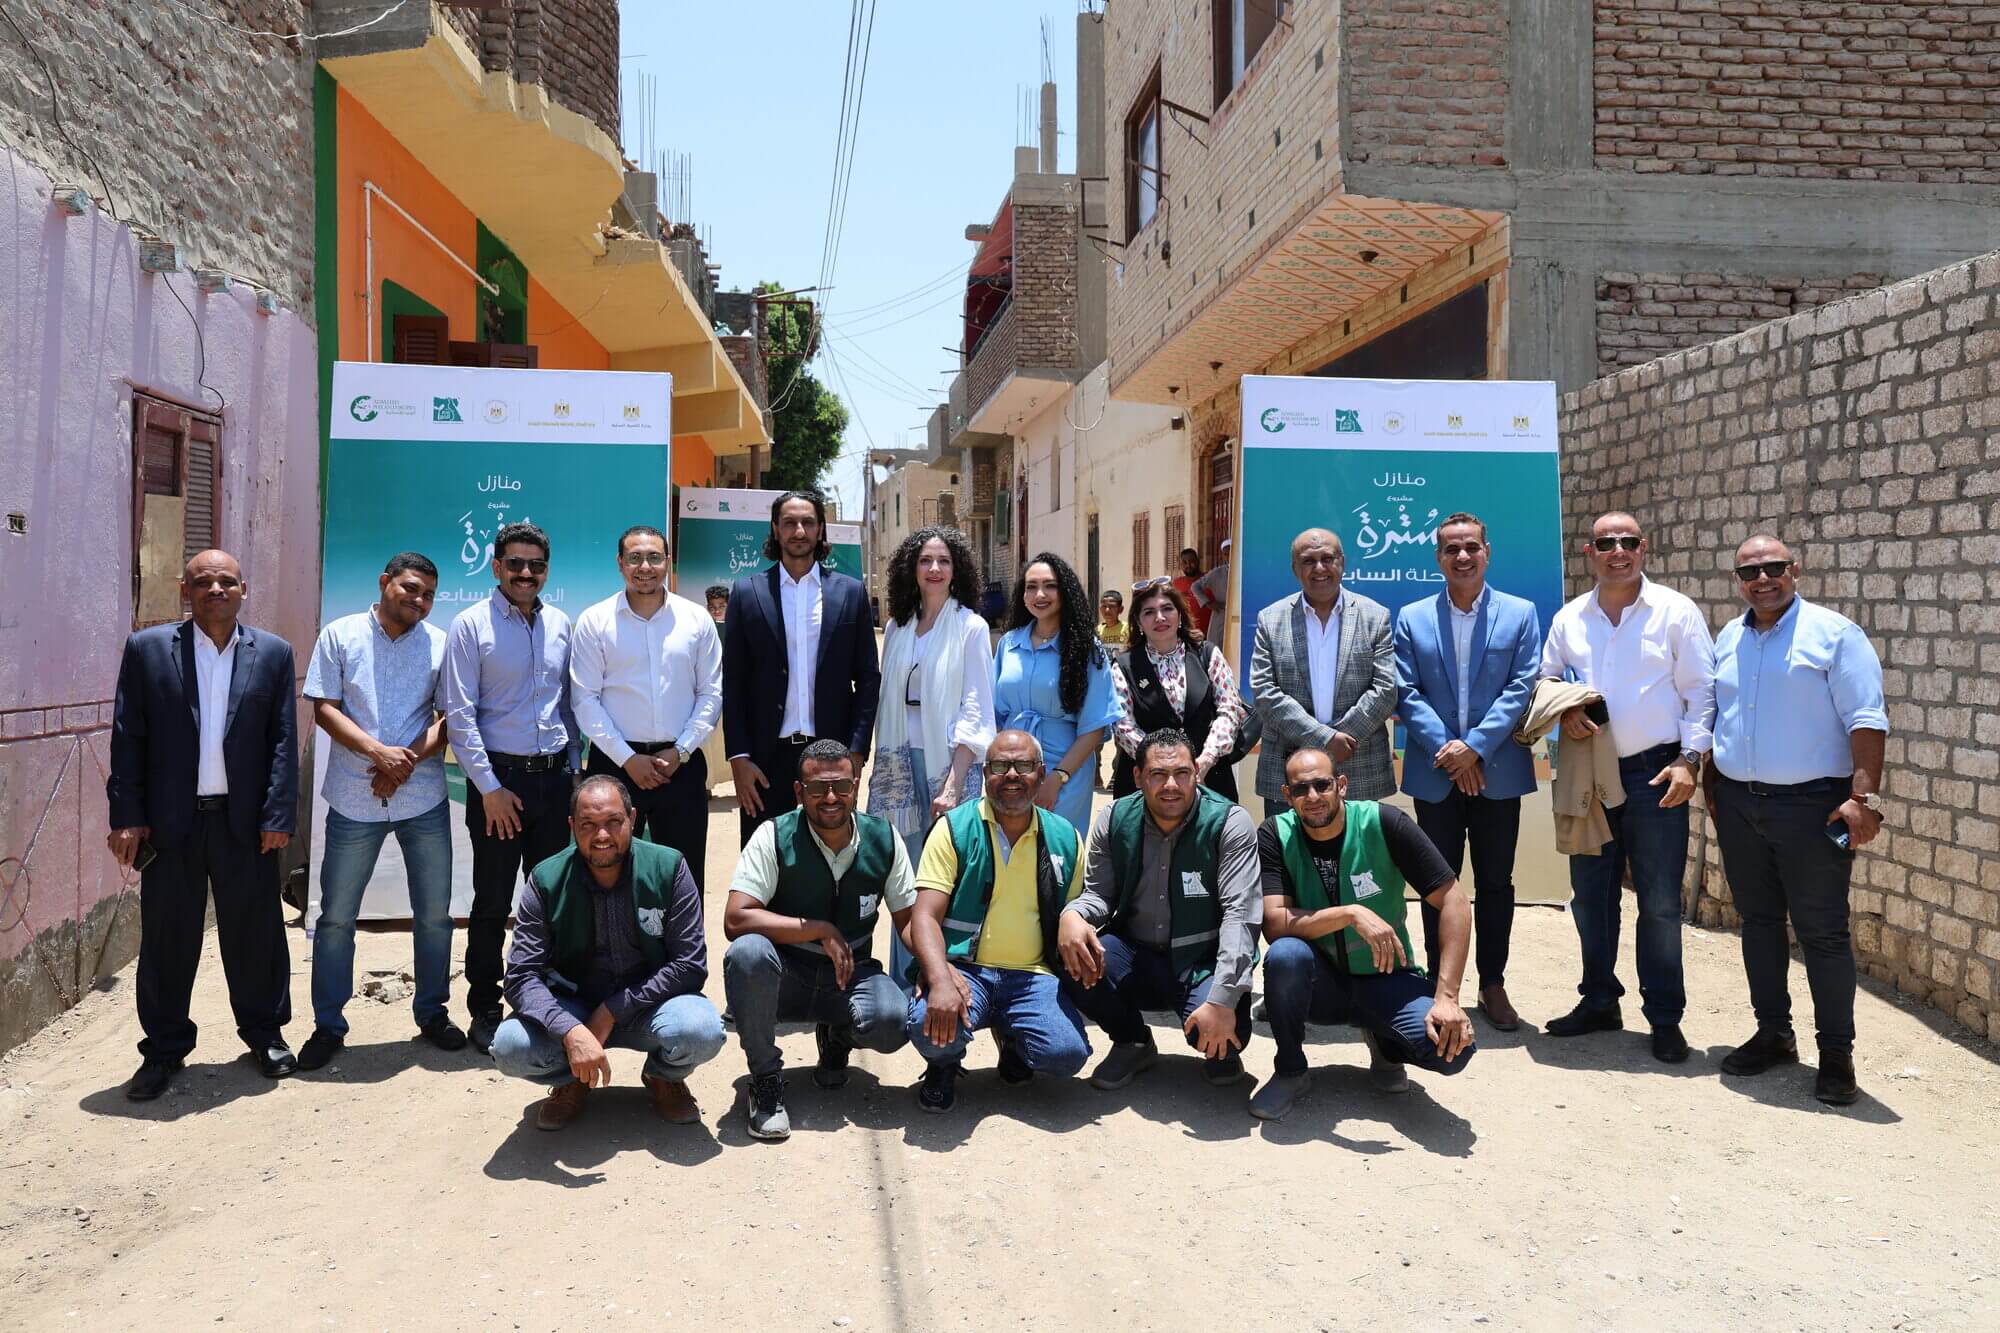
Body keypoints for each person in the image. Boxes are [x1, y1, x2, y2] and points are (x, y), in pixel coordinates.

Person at [107, 550, 300, 1099]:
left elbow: (283, 740)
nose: (215, 589)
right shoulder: (147, 649)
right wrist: (127, 817)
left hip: (245, 824)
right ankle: (164, 1049)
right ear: (184, 590)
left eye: (226, 581)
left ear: (244, 589)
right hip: (171, 826)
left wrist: (278, 815)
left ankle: (264, 1034)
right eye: (203, 582)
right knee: (167, 939)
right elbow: (128, 736)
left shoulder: (273, 653)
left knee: (256, 933)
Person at [1707, 535, 1886, 1106]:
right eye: (1749, 572)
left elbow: (1867, 718)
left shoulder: (1835, 635)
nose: (1762, 580)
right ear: (1738, 580)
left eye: (1773, 568)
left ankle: (1836, 1054)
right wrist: (1714, 787)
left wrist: (1863, 798)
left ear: (1796, 570)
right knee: (1758, 922)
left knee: (1822, 932)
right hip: (1740, 804)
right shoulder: (1729, 637)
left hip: (1812, 808)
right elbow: (1718, 716)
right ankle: (1774, 1035)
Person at [1540, 511, 1715, 1063]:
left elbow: (1702, 692)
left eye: (1628, 542)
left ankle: (1664, 1018)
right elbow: (1546, 679)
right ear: (1589, 552)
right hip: (1589, 775)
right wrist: (1565, 712)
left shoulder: (1675, 612)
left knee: (1659, 902)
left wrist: (1690, 760)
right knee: (1591, 897)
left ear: (1644, 547)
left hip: (1656, 774)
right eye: (1606, 543)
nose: (1618, 551)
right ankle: (1599, 1000)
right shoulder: (1570, 618)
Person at [1250, 749, 1476, 1120]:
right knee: (1285, 955)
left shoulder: (1384, 822)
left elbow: (1454, 900)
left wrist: (1447, 997)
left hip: (1386, 977)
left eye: (1322, 785)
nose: (1312, 796)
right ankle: (1290, 1071)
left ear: (1341, 785)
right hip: (1321, 985)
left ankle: (1386, 1046)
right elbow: (1275, 923)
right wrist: (1349, 913)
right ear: (1287, 796)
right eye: (1300, 789)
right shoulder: (1276, 834)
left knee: (1452, 1051)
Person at [490, 776, 725, 1130]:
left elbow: (690, 964)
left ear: (632, 818)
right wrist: (569, 1029)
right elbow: (521, 976)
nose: (602, 835)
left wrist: (614, 1009)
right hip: (573, 1004)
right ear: (572, 826)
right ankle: (573, 1079)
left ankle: (663, 1077)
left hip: (650, 1007)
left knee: (701, 1031)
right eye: (588, 825)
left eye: (613, 822)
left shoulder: (669, 867)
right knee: (510, 1048)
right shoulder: (546, 879)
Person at [299, 552, 460, 1071]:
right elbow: (324, 707)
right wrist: (377, 753)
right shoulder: (341, 635)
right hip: (354, 798)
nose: (420, 600)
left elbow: (448, 720)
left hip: (422, 798)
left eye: (429, 595)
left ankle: (432, 1013)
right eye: (411, 588)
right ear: (385, 581)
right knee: (336, 918)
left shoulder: (440, 644)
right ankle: (328, 1025)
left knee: (434, 916)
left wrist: (402, 762)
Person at [722, 741, 917, 1140]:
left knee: (894, 1021)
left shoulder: (883, 838)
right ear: (799, 792)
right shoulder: (774, 835)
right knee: (747, 954)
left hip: (851, 974)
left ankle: (837, 1037)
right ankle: (765, 1081)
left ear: (856, 786)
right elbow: (736, 917)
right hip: (785, 975)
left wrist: (940, 968)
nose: (830, 798)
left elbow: (909, 921)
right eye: (817, 788)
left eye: (841, 786)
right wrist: (819, 929)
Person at [1391, 512, 1541, 1030]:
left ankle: (1492, 983)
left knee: (1497, 881)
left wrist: (1474, 749)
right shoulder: (1412, 617)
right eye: (1451, 549)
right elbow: (1406, 692)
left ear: (1487, 552)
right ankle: (1440, 983)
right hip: (1436, 774)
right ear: (1438, 557)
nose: (1462, 556)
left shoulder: (1520, 614)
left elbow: (1521, 687)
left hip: (1498, 772)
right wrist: (1450, 753)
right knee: (1437, 881)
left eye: (1471, 547)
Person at [441, 522, 579, 1054]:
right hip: (500, 785)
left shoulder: (560, 624)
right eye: (515, 563)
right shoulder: (470, 625)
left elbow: (567, 707)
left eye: (536, 565)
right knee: (493, 900)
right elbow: (460, 715)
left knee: (553, 898)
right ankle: (484, 1005)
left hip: (555, 782)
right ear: (496, 566)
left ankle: (547, 999)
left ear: (547, 570)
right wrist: (490, 789)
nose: (525, 573)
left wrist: (575, 773)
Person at [1059, 728, 1261, 1090]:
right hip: (1135, 952)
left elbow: (1240, 915)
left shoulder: (1229, 822)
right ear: (1138, 776)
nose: (1171, 785)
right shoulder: (1115, 817)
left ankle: (1221, 1041)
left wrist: (1223, 998)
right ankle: (1133, 1041)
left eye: (1182, 773)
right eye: (1158, 774)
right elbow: (1099, 896)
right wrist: (1073, 915)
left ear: (1196, 772)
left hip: (1201, 958)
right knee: (1072, 954)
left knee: (1224, 1040)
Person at [904, 730, 1091, 1112]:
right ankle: (943, 1065)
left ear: (1041, 774)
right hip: (965, 970)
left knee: (1067, 1053)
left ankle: (1015, 1044)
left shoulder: (1066, 838)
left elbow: (1076, 911)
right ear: (985, 773)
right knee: (927, 1023)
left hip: (1032, 976)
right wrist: (939, 975)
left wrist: (1077, 922)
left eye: (1023, 765)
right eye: (1000, 766)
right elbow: (923, 916)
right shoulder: (954, 829)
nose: (1012, 775)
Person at [867, 527, 996, 987]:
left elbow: (977, 706)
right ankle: (906, 983)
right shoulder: (898, 628)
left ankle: (951, 980)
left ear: (957, 569)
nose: (935, 569)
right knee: (904, 879)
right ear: (912, 569)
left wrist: (954, 783)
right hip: (899, 767)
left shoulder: (971, 627)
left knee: (947, 877)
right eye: (926, 560)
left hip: (950, 767)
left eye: (943, 560)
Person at [722, 489, 882, 846]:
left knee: (833, 857)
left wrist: (856, 751)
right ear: (775, 529)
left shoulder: (850, 593)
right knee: (765, 859)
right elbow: (733, 681)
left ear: (820, 529)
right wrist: (739, 757)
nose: (799, 531)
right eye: (789, 523)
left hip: (832, 756)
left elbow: (868, 679)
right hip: (765, 760)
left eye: (808, 523)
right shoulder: (747, 593)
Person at [571, 525, 722, 888]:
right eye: (635, 558)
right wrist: (627, 759)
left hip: (681, 766)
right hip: (615, 767)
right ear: (620, 563)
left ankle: (683, 931)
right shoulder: (595, 621)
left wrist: (681, 750)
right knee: (608, 875)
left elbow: (711, 693)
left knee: (684, 875)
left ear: (667, 562)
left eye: (654, 557)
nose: (645, 567)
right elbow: (585, 699)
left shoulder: (695, 619)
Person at [1250, 528, 1396, 806]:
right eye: (1308, 561)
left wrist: (1342, 740)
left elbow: (1386, 690)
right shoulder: (1270, 619)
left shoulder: (1375, 617)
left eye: (1327, 559)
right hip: (1289, 770)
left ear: (1342, 562)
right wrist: (1326, 739)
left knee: (1358, 838)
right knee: (1288, 838)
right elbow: (1265, 692)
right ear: (1295, 569)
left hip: (1358, 766)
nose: (1319, 568)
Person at [992, 552, 1122, 833]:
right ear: (1023, 595)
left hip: (1065, 773)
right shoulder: (1008, 644)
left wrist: (1057, 778)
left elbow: (1095, 727)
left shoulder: (1087, 649)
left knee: (1056, 850)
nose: (1040, 594)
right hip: (1012, 770)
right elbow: (995, 715)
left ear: (1065, 592)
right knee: (1007, 848)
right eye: (1031, 586)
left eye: (1050, 586)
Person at [1109, 578, 1246, 802]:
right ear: (1138, 622)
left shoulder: (1207, 654)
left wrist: (1205, 760)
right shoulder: (1124, 666)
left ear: (1180, 615)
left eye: (1167, 609)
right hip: (1147, 784)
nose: (1159, 617)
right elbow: (1123, 727)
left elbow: (1229, 709)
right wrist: (1163, 766)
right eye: (1149, 612)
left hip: (1209, 775)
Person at [1189, 539, 1230, 634]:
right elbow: (1195, 586)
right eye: (1226, 554)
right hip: (1221, 615)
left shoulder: (1246, 571)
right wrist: (1207, 603)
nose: (1229, 556)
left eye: (1231, 553)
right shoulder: (1217, 573)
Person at [1172, 547, 1211, 639]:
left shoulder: (1210, 579)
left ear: (1198, 561)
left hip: (1210, 633)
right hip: (1187, 634)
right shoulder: (1176, 583)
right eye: (1184, 563)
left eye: (1192, 561)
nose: (1188, 565)